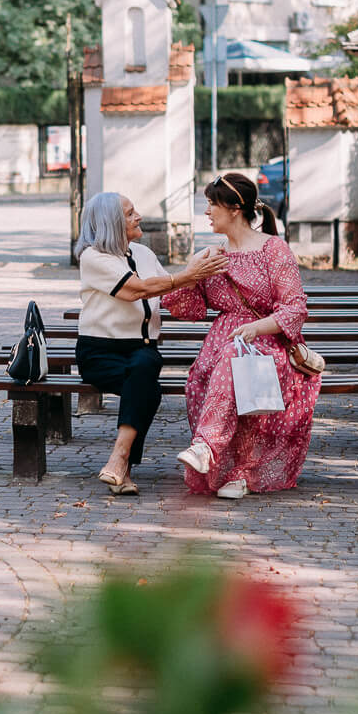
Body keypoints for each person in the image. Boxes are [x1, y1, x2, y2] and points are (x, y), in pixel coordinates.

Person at [160, 172, 320, 499]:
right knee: (205, 373)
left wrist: (255, 328)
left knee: (237, 365)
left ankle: (210, 449)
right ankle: (229, 469)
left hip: (268, 344)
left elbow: (295, 308)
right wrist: (192, 272)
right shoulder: (213, 255)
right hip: (221, 344)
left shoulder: (273, 249)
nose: (206, 212)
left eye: (211, 204)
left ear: (234, 209)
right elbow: (187, 308)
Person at [75, 191, 228, 495]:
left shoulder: (143, 253)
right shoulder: (93, 257)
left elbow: (170, 292)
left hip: (142, 349)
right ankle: (123, 466)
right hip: (100, 353)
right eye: (130, 213)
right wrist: (186, 275)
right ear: (113, 223)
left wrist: (202, 265)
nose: (139, 217)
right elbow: (137, 290)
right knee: (147, 387)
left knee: (144, 369)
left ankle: (119, 463)